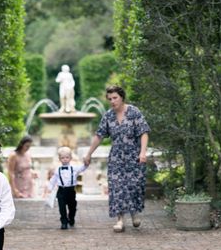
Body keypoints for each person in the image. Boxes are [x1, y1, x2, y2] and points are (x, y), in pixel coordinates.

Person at [83, 85, 150, 233]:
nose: (112, 101)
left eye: (115, 98)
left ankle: (134, 214)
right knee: (116, 187)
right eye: (110, 99)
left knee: (133, 186)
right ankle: (119, 220)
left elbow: (144, 132)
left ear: (122, 97)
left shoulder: (134, 112)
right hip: (116, 157)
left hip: (134, 155)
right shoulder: (108, 115)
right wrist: (89, 154)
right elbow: (99, 135)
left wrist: (143, 152)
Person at [46, 146, 87, 230]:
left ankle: (71, 218)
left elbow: (82, 168)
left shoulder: (74, 168)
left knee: (73, 207)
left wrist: (86, 163)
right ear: (59, 159)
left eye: (67, 157)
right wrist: (50, 188)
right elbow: (53, 179)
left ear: (70, 158)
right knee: (62, 208)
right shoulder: (57, 170)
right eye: (62, 158)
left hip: (71, 191)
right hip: (61, 191)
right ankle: (64, 222)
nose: (65, 159)